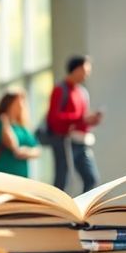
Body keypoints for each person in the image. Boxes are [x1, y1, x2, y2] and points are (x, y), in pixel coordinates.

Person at [44, 55, 102, 193]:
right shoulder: (60, 90)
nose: (87, 74)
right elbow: (54, 118)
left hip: (81, 141)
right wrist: (79, 118)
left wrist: (91, 120)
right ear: (75, 70)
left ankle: (84, 211)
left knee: (91, 178)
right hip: (65, 141)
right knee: (63, 181)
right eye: (84, 70)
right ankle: (57, 213)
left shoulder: (82, 92)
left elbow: (82, 119)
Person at [0, 91, 40, 177]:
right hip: (4, 173)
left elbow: (37, 150)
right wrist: (5, 123)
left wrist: (27, 152)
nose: (22, 105)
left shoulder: (23, 128)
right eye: (18, 102)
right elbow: (12, 144)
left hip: (22, 175)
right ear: (9, 104)